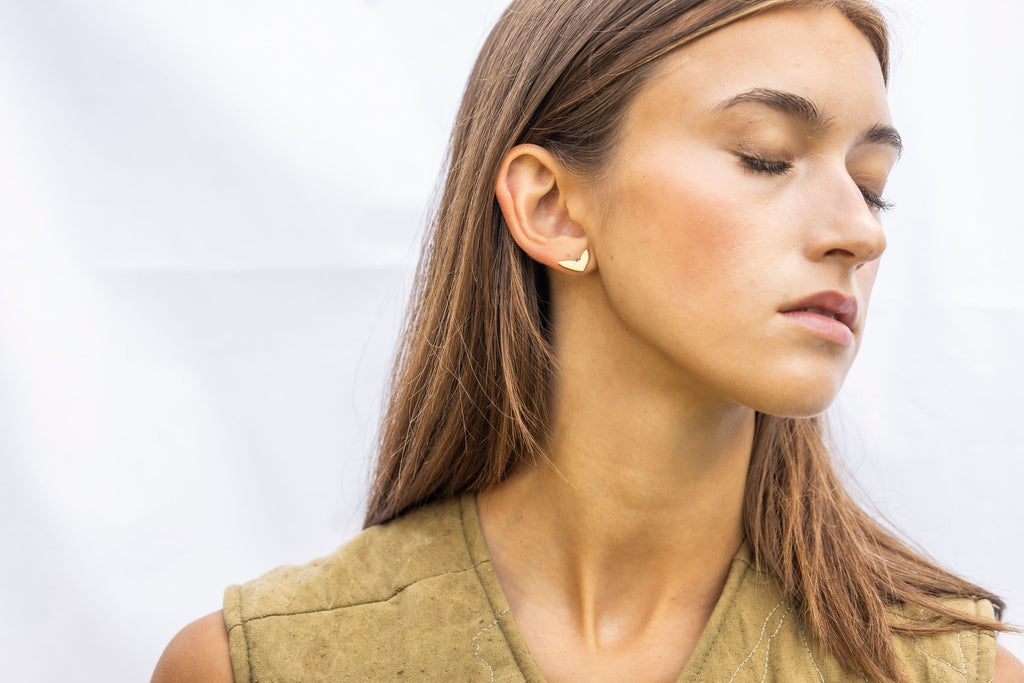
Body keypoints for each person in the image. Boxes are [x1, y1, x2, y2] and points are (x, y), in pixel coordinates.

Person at [153, 0, 1024, 681]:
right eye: (766, 156)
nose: (860, 233)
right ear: (550, 206)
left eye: (871, 186)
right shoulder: (259, 666)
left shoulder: (954, 673)